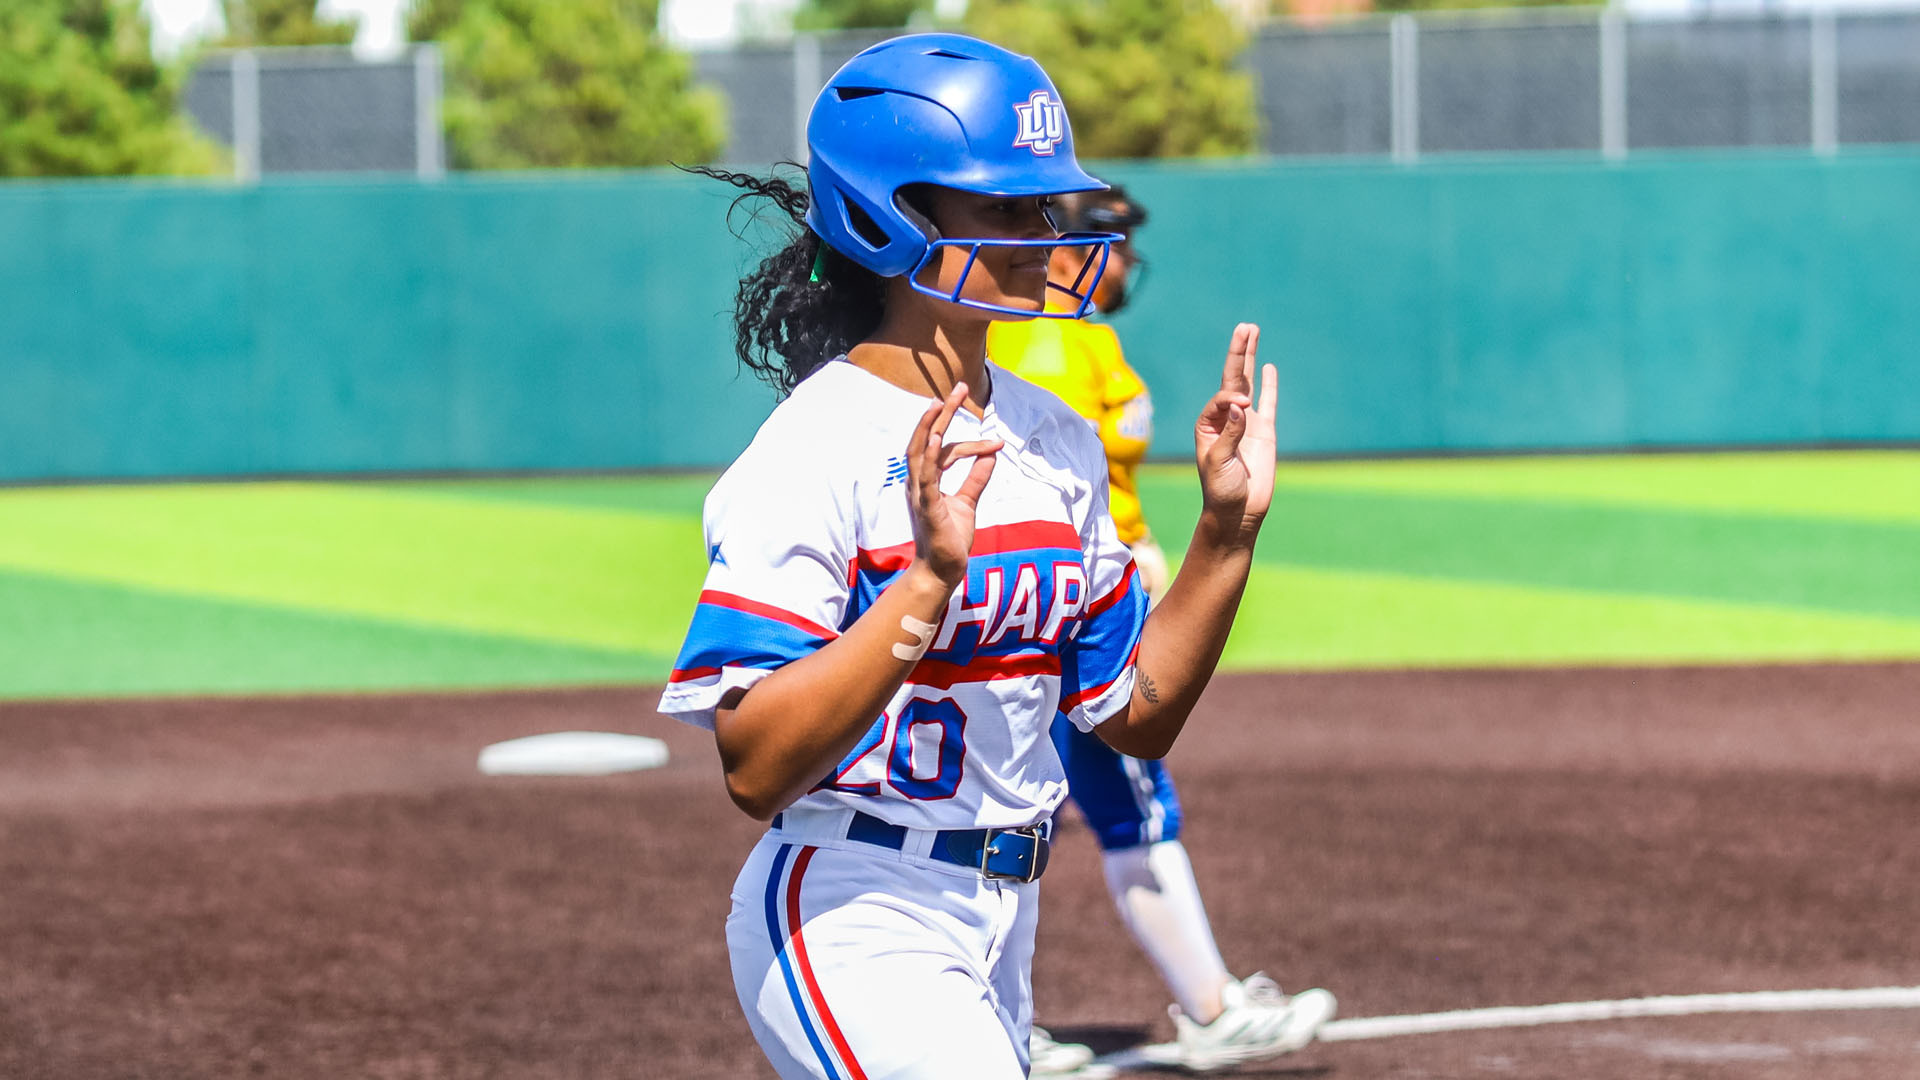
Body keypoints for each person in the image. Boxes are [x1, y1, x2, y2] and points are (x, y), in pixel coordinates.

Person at [661, 33, 1284, 1080]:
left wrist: (1225, 536)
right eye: (1008, 208)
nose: (1047, 236)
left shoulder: (1056, 437)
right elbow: (755, 764)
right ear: (888, 215)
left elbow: (1134, 714)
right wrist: (928, 584)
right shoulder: (816, 448)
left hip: (1004, 920)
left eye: (1047, 207)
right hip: (853, 910)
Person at [989, 190, 1338, 1074]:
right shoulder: (1043, 343)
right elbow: (1032, 488)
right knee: (1100, 799)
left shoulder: (1075, 335)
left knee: (1026, 798)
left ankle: (999, 1018)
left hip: (1071, 598)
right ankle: (1210, 1008)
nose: (1129, 265)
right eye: (1119, 246)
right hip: (1064, 615)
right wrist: (1118, 559)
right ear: (1067, 249)